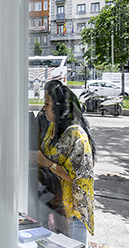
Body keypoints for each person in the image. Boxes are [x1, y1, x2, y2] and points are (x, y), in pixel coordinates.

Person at [37, 81, 96, 244]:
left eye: (47, 104)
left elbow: (79, 178)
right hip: (55, 211)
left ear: (59, 107)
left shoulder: (77, 136)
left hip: (72, 216)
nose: (44, 108)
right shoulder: (52, 128)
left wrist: (48, 163)